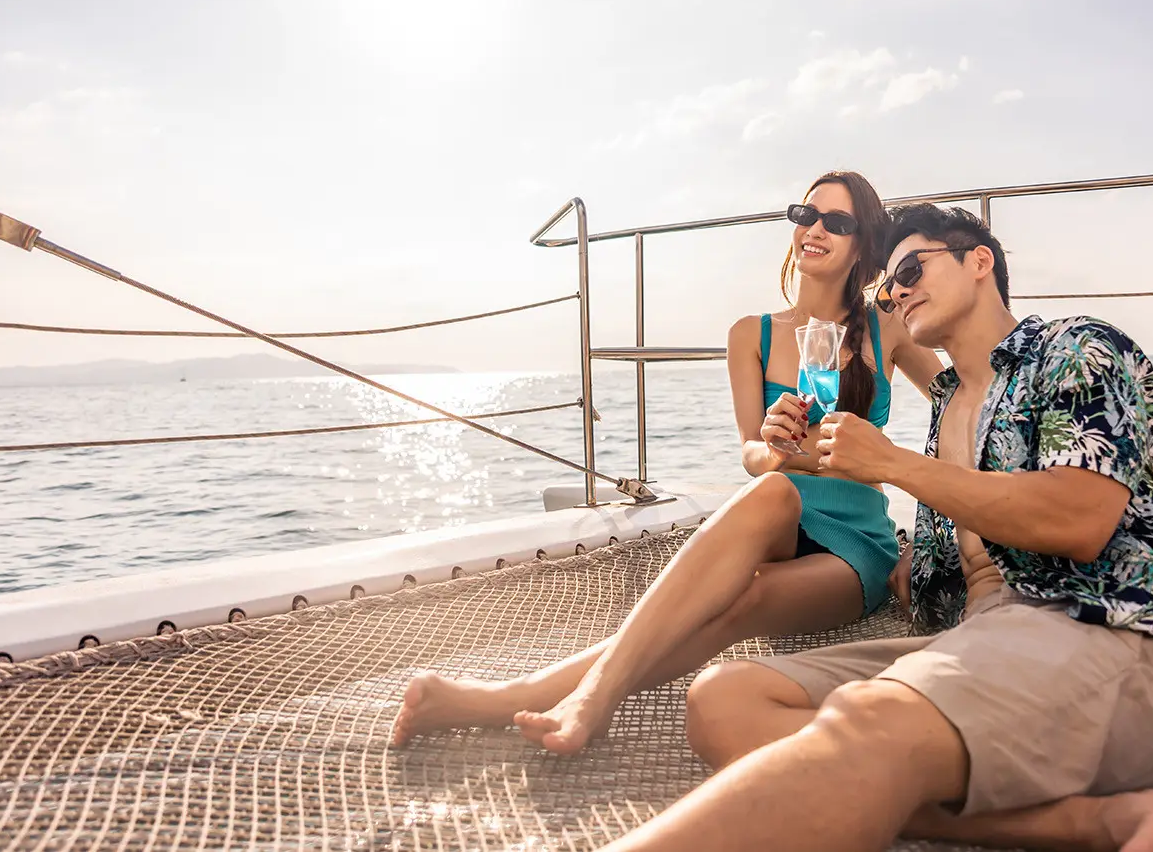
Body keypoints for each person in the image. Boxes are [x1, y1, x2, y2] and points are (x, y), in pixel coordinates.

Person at [598, 203, 1153, 852]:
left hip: (1105, 632)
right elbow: (961, 535)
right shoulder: (947, 405)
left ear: (979, 261)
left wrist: (893, 465)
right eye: (887, 290)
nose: (897, 293)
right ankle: (1090, 823)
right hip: (978, 638)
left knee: (868, 718)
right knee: (725, 701)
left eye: (910, 270)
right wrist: (912, 556)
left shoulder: (1074, 348)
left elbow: (1078, 518)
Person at [391, 170, 943, 755]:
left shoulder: (887, 329)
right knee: (773, 491)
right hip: (778, 518)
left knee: (735, 602)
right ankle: (576, 698)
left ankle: (525, 697)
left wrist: (936, 534)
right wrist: (775, 446)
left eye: (837, 222)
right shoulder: (750, 334)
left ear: (863, 245)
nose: (815, 230)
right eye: (805, 215)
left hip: (854, 543)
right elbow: (752, 455)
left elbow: (960, 405)